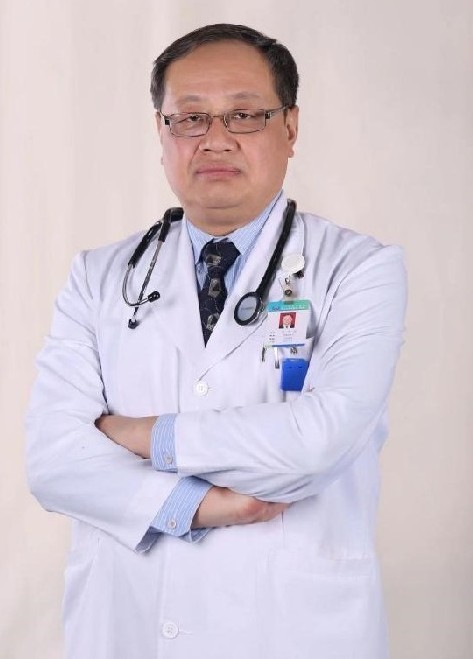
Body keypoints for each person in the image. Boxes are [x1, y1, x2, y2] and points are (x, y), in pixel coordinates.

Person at [26, 23, 407, 659]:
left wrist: (138, 434)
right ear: (161, 132)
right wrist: (200, 505)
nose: (216, 139)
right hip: (129, 625)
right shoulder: (99, 277)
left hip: (291, 630)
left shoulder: (359, 268)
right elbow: (53, 461)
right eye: (190, 118)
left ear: (290, 127)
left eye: (245, 115)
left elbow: (318, 442)